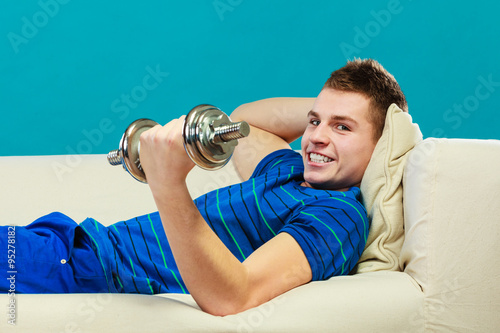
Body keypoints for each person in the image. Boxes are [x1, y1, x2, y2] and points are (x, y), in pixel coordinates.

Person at [0, 58, 407, 316]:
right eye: (314, 122)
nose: (316, 136)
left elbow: (236, 296)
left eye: (343, 128)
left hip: (90, 272)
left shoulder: (337, 215)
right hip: (74, 242)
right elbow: (248, 121)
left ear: (383, 141)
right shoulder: (290, 171)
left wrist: (167, 182)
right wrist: (337, 107)